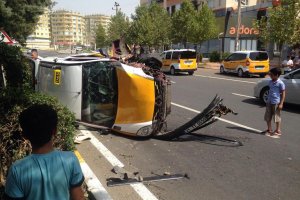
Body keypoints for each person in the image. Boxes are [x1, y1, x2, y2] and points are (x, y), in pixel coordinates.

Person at [5, 104, 85, 200]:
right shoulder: (70, 159)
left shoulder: (16, 170)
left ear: (24, 135)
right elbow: (78, 197)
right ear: (55, 131)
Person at [264, 68, 286, 137]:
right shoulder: (270, 82)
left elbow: (283, 93)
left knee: (276, 117)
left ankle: (277, 130)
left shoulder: (280, 83)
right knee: (268, 116)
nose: (270, 76)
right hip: (269, 101)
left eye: (272, 75)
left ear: (276, 75)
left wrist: (281, 103)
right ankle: (269, 129)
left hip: (276, 102)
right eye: (270, 74)